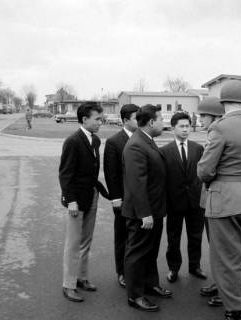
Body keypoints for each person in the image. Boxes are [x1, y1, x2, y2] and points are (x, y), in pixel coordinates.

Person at [197, 80, 241, 320]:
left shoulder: (220, 128)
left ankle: (236, 309)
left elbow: (204, 171)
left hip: (225, 200)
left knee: (227, 259)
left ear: (223, 102)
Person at [122, 104, 172, 312]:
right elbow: (136, 183)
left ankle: (150, 285)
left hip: (155, 209)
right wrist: (145, 214)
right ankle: (135, 295)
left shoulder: (147, 141)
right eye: (161, 119)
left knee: (150, 251)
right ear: (151, 122)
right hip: (143, 213)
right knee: (137, 253)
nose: (164, 123)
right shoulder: (136, 145)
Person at [58, 101, 109, 302]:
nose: (100, 122)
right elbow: (65, 174)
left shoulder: (94, 140)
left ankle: (82, 278)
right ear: (84, 119)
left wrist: (104, 192)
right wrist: (70, 200)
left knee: (86, 241)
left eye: (101, 118)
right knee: (73, 244)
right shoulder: (73, 141)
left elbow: (91, 173)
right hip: (76, 201)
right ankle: (68, 285)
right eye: (97, 119)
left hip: (91, 197)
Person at [161, 112, 206, 284]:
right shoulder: (165, 151)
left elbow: (202, 174)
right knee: (174, 238)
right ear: (173, 128)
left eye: (188, 126)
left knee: (196, 237)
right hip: (174, 203)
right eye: (182, 126)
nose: (186, 129)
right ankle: (173, 268)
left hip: (195, 202)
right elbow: (163, 179)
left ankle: (195, 266)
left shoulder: (198, 148)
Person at [104, 104, 140, 289]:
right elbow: (111, 174)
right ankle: (122, 272)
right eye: (136, 117)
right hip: (123, 199)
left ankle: (136, 271)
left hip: (140, 199)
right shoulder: (114, 142)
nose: (140, 120)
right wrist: (115, 198)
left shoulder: (143, 138)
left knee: (138, 238)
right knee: (122, 237)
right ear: (125, 120)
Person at [196, 97, 225, 308]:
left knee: (222, 248)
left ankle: (226, 290)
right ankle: (219, 282)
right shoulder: (211, 134)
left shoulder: (220, 133)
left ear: (215, 116)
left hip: (219, 198)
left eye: (204, 116)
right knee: (214, 246)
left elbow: (207, 170)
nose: (200, 120)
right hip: (209, 199)